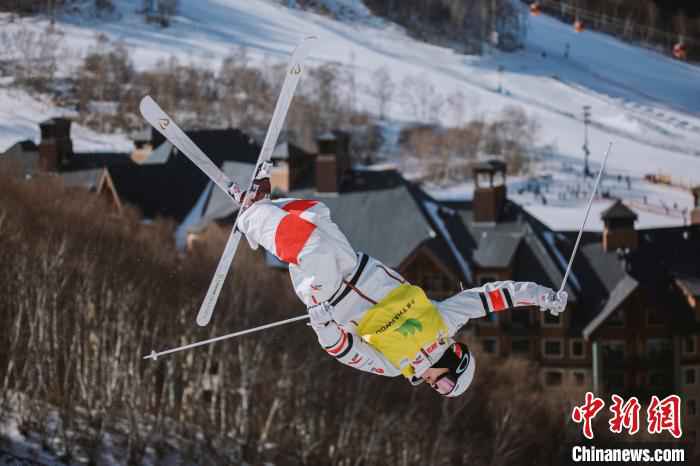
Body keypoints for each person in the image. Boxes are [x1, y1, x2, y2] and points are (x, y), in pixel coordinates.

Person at [228, 163, 568, 398]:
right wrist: (541, 296)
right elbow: (493, 297)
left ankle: (251, 215)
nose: (438, 388)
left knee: (311, 247)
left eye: (443, 391)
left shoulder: (395, 366)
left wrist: (322, 325)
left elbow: (345, 351)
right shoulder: (444, 323)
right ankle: (264, 211)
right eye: (447, 386)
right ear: (456, 363)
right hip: (355, 265)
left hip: (329, 297)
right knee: (316, 214)